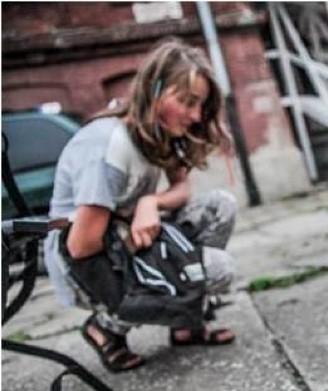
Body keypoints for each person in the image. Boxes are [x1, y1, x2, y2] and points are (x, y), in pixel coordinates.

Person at [44, 39, 237, 373]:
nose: (194, 115)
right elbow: (81, 245)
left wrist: (151, 201)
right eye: (187, 102)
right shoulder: (108, 144)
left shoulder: (157, 129)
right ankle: (106, 326)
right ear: (155, 90)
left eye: (199, 106)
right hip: (87, 265)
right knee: (218, 270)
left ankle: (185, 322)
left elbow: (181, 188)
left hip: (125, 240)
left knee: (221, 206)